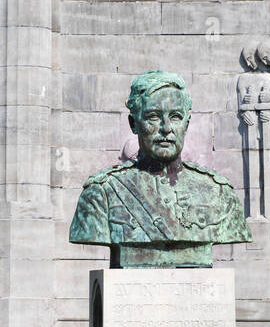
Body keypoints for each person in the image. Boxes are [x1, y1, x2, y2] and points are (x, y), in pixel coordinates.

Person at [70, 70, 250, 268]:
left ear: (186, 125)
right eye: (153, 116)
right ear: (134, 124)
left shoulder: (219, 193)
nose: (166, 128)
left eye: (175, 117)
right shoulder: (101, 193)